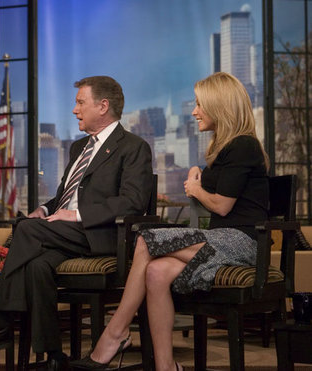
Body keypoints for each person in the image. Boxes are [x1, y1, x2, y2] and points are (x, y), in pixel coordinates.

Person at [0, 75, 153, 370]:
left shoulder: (133, 147)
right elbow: (63, 198)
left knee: (25, 229)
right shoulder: (78, 147)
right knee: (36, 265)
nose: (75, 109)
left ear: (103, 106)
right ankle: (54, 357)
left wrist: (78, 215)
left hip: (103, 235)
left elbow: (132, 201)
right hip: (65, 234)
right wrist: (45, 210)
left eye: (80, 102)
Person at [70, 71, 270, 371]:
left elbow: (223, 207)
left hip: (243, 244)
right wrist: (195, 175)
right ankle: (167, 367)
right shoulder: (225, 149)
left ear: (220, 106)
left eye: (200, 104)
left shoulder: (243, 145)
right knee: (156, 273)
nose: (194, 111)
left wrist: (197, 189)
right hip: (219, 241)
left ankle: (115, 332)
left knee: (145, 240)